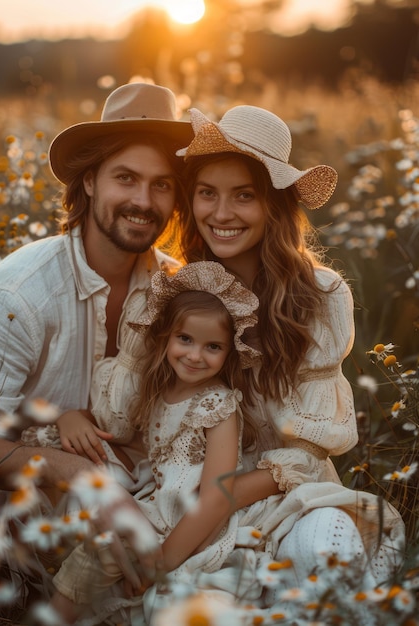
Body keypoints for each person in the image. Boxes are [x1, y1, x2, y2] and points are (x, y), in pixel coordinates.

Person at [0, 82, 194, 587]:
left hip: (143, 497)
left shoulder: (177, 291)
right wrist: (71, 471)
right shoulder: (18, 296)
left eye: (162, 184)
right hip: (18, 526)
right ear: (88, 182)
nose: (143, 201)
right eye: (125, 178)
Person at [175, 106, 405, 603]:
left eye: (244, 196)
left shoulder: (319, 296)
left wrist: (221, 499)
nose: (221, 214)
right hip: (191, 500)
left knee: (324, 554)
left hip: (290, 494)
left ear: (275, 205)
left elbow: (304, 453)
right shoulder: (184, 292)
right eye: (207, 193)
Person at [47, 261, 276, 624]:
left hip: (187, 517)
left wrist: (164, 560)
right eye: (185, 339)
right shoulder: (159, 391)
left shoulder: (218, 404)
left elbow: (218, 495)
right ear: (166, 336)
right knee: (98, 542)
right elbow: (123, 437)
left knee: (106, 551)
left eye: (212, 346)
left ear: (230, 352)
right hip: (158, 503)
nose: (195, 355)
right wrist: (68, 416)